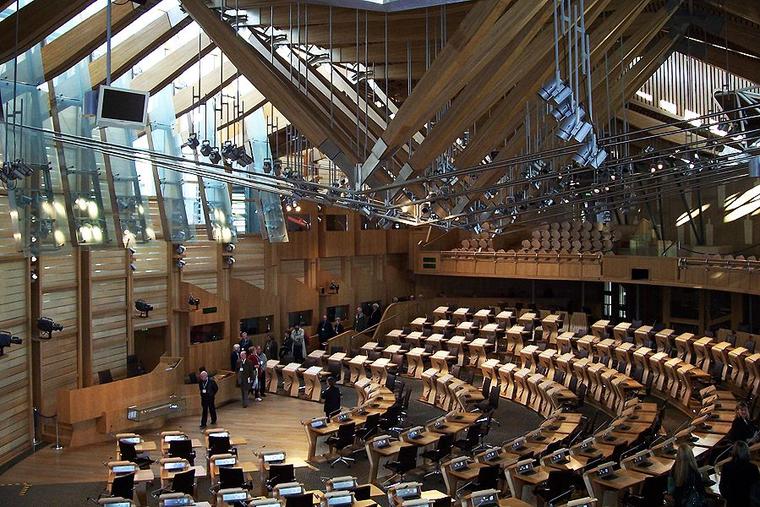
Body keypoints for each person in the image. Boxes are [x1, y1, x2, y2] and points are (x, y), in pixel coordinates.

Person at [719, 440, 760, 506]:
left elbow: (722, 486)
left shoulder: (726, 466)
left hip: (731, 502)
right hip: (747, 502)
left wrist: (728, 498)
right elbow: (757, 488)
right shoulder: (753, 468)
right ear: (747, 452)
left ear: (733, 452)